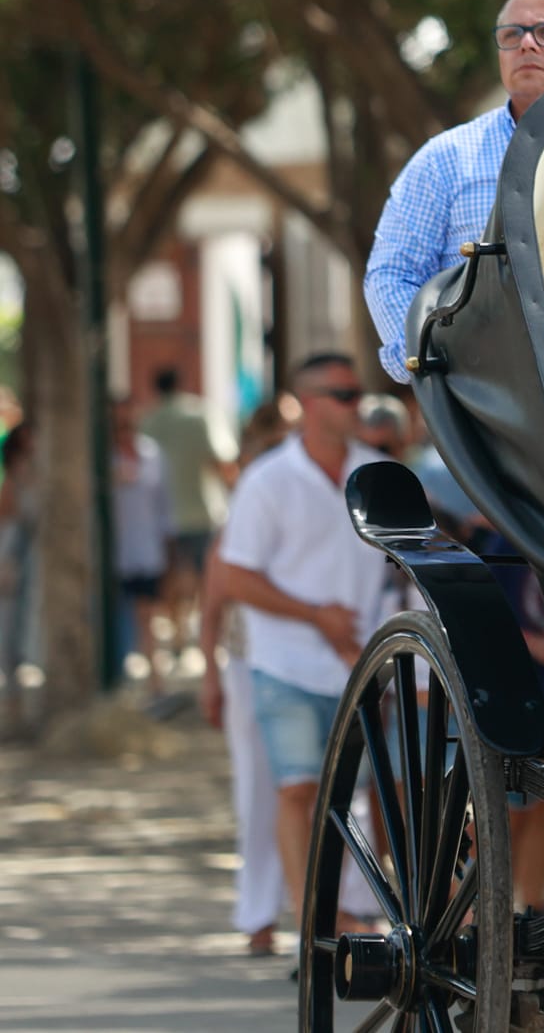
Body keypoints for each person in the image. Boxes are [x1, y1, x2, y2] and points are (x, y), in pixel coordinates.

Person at [215, 354, 391, 936]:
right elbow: (234, 577)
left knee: (353, 799)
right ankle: (310, 921)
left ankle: (342, 913)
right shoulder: (267, 480)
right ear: (309, 403)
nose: (355, 404)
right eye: (343, 394)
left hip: (358, 666)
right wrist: (315, 616)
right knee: (297, 788)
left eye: (356, 392)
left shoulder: (377, 475)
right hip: (283, 663)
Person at [364, 0, 544, 384]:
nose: (527, 44)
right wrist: (438, 366)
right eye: (511, 35)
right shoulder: (444, 162)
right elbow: (391, 274)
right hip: (489, 406)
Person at [198, 395, 302, 956]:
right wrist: (210, 667)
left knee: (317, 788)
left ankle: (335, 908)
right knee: (261, 789)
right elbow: (215, 588)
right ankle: (260, 915)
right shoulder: (255, 491)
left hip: (311, 658)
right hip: (250, 656)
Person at [141, 365, 236, 653]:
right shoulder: (201, 415)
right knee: (205, 577)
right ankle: (204, 637)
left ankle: (178, 632)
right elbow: (222, 461)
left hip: (162, 514)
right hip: (201, 510)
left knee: (171, 577)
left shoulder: (148, 420)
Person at [110, 397, 176, 698]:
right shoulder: (103, 458)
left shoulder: (152, 453)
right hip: (116, 552)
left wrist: (168, 545)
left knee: (148, 614)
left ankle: (154, 681)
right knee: (120, 616)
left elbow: (164, 504)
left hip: (147, 548)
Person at [0, 420, 37, 734]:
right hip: (15, 561)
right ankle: (15, 707)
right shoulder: (12, 482)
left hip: (34, 565)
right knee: (11, 631)